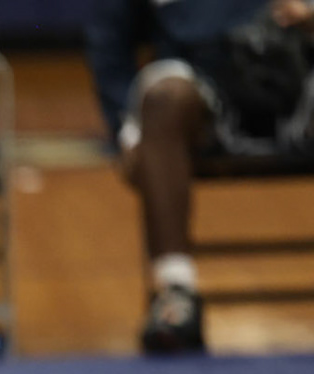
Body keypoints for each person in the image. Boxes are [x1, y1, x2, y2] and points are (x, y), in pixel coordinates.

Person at [87, 0, 314, 354]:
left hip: (300, 80)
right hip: (207, 87)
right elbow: (109, 42)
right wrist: (126, 128)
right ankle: (176, 291)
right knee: (164, 97)